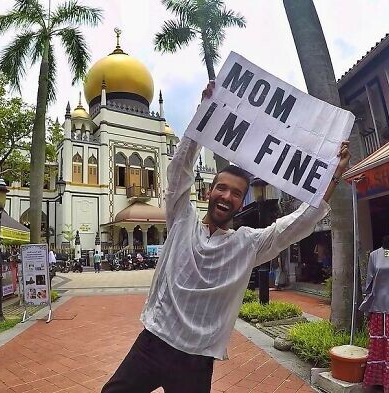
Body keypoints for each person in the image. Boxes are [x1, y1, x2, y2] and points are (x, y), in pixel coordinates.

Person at [101, 81, 351, 393]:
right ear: (208, 191)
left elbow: (298, 223)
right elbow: (178, 168)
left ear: (241, 202)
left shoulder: (244, 244)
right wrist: (204, 111)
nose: (227, 196)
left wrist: (334, 174)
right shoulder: (182, 219)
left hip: (196, 360)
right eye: (222, 188)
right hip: (153, 342)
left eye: (236, 193)